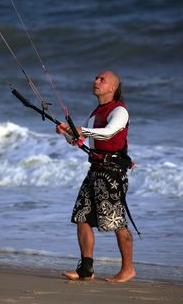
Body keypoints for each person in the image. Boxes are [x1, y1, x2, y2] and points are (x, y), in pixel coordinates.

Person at [56, 70, 136, 283]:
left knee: (117, 221)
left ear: (113, 88)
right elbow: (83, 142)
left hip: (113, 173)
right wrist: (68, 133)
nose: (96, 81)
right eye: (96, 78)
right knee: (82, 217)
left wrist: (80, 130)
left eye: (102, 80)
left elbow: (108, 133)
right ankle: (86, 270)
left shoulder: (119, 111)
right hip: (95, 171)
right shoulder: (94, 114)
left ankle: (128, 269)